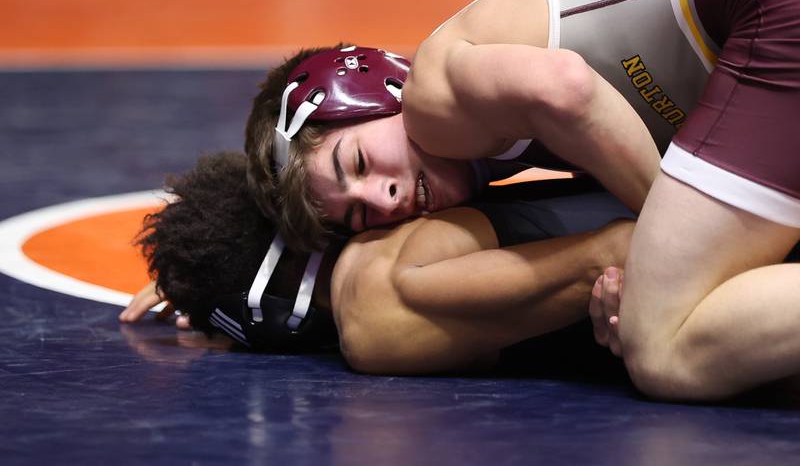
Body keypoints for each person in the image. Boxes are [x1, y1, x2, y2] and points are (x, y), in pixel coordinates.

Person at [247, 0, 800, 399]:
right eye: (362, 215)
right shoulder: (489, 136)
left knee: (662, 343)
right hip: (762, 9)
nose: (385, 198)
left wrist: (669, 248)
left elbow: (568, 89)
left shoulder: (431, 101)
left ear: (379, 87)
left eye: (360, 163)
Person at [127, 151, 633, 373]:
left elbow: (614, 257)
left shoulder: (372, 306)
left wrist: (223, 295)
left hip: (677, 257)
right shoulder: (383, 256)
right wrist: (202, 276)